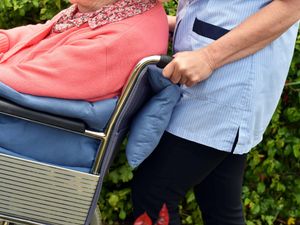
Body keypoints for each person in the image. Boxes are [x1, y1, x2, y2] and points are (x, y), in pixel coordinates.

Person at [132, 0, 300, 225]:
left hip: (226, 81)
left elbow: (292, 5)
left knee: (153, 195)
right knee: (219, 204)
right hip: (210, 73)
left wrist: (209, 57)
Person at [0, 0, 168, 102]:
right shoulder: (117, 10)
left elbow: (29, 78)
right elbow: (45, 33)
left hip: (22, 124)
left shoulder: (112, 43)